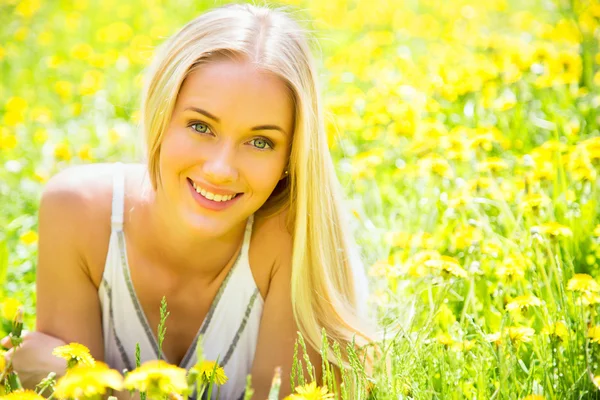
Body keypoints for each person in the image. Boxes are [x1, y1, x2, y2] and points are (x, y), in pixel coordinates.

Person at [3, 3, 375, 399]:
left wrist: (76, 376)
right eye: (201, 126)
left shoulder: (294, 240)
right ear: (160, 113)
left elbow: (80, 387)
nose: (220, 169)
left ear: (291, 157)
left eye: (260, 141)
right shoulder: (77, 213)